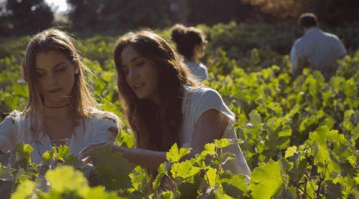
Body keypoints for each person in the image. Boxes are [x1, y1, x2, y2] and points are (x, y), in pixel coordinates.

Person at [83, 30, 251, 180]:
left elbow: (198, 163)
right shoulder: (148, 119)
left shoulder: (205, 100)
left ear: (161, 62)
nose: (131, 76)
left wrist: (124, 154)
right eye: (125, 70)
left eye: (139, 64)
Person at [0, 28, 120, 169]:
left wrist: (26, 174)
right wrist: (12, 165)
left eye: (60, 70)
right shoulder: (18, 125)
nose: (52, 81)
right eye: (41, 74)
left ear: (75, 66)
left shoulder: (103, 124)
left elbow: (90, 175)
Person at [290, 13, 347, 79]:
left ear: (302, 27)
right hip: (334, 84)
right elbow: (344, 60)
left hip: (311, 85)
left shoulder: (299, 43)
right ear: (317, 25)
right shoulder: (334, 39)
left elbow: (295, 67)